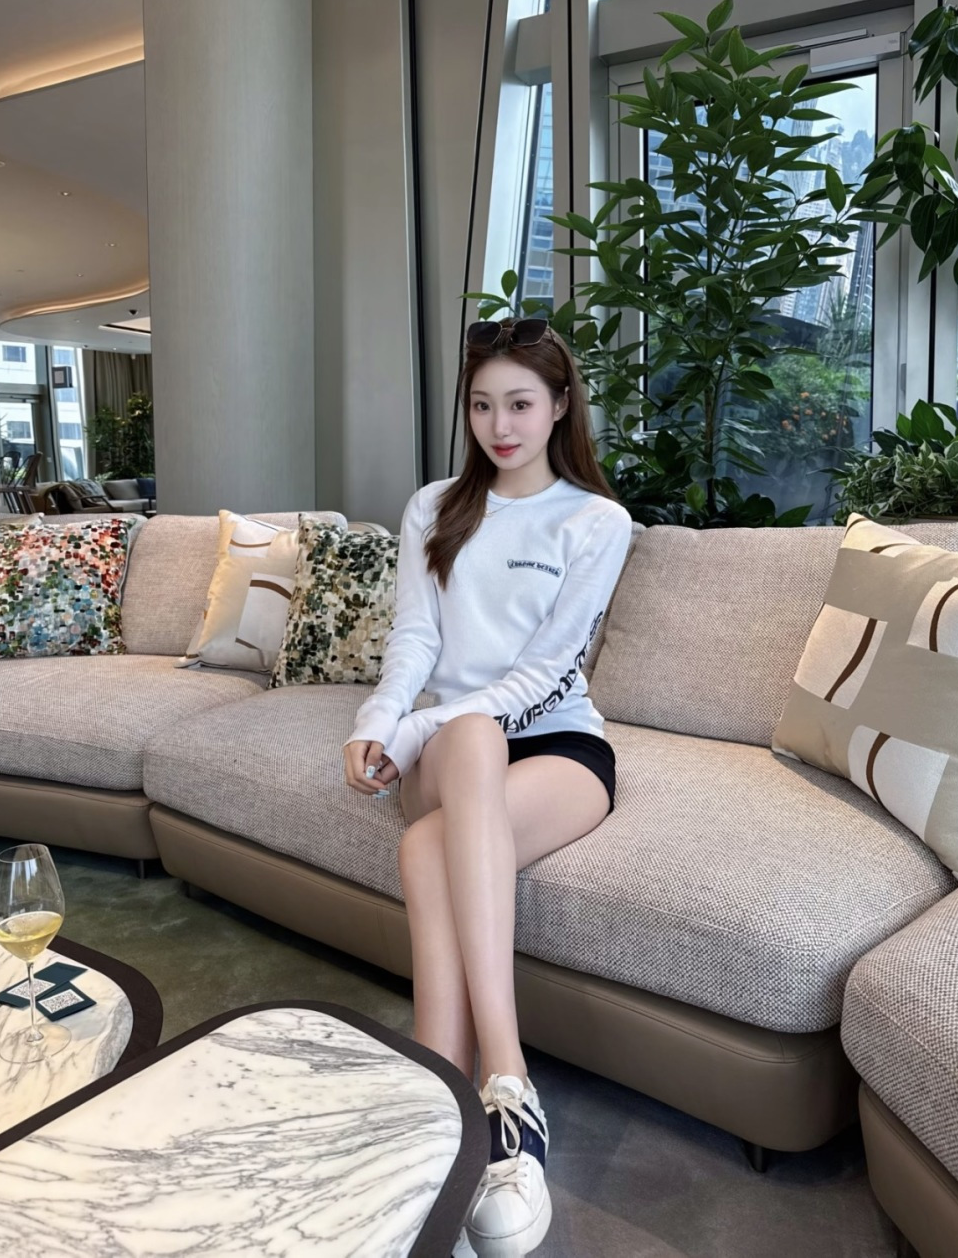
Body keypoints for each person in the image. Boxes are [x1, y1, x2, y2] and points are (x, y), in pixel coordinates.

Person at [342, 317, 632, 1258]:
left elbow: (545, 671)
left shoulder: (596, 521)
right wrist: (378, 722)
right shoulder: (434, 506)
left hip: (560, 746)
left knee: (427, 838)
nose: (500, 426)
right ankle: (509, 1086)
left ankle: (443, 1085)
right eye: (481, 405)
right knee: (466, 735)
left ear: (559, 406)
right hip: (450, 751)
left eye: (519, 404)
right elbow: (415, 640)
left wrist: (420, 728)